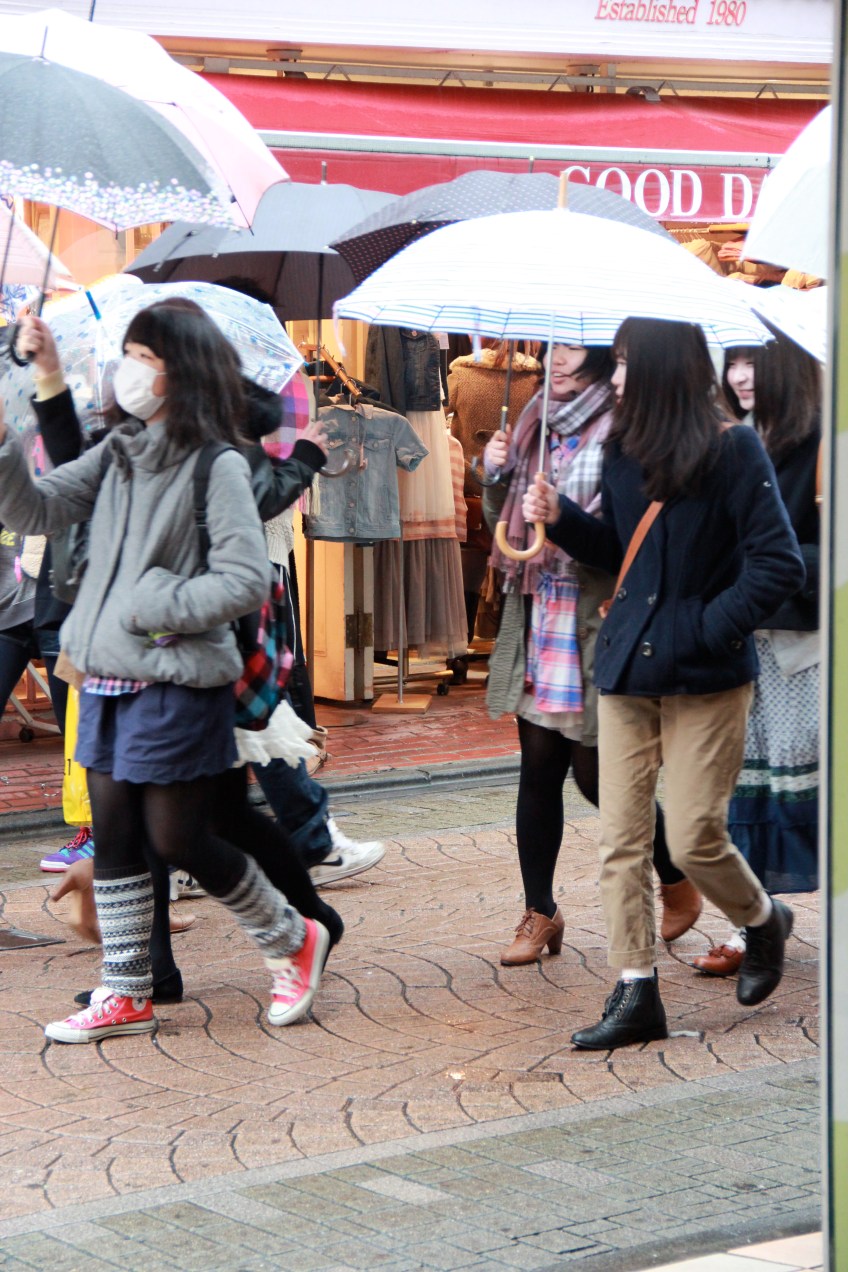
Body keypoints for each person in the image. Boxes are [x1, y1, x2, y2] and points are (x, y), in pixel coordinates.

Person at [0, 299, 329, 1043]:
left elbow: (244, 578)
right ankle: (126, 990)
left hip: (177, 676)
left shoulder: (218, 464)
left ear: (182, 372)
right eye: (131, 355)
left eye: (146, 358)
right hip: (105, 675)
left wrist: (156, 604)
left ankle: (294, 938)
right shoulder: (119, 450)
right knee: (116, 837)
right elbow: (38, 510)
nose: (131, 370)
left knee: (180, 839)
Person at [522, 317, 806, 1049]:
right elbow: (623, 551)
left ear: (659, 366)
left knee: (693, 834)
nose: (613, 376)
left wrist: (706, 627)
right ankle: (635, 989)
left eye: (623, 362)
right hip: (626, 670)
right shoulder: (622, 447)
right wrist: (561, 520)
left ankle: (762, 918)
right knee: (621, 839)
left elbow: (778, 564)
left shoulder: (733, 448)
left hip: (707, 677)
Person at [482, 342, 701, 968]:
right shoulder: (534, 420)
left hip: (596, 618)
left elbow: (627, 546)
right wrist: (494, 475)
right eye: (551, 347)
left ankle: (675, 873)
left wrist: (562, 515)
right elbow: (507, 525)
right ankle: (540, 910)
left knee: (594, 773)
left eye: (573, 348)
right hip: (538, 611)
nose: (556, 359)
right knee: (537, 764)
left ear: (603, 354)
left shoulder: (625, 431)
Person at [692, 326, 821, 978]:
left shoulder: (821, 443)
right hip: (746, 642)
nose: (740, 375)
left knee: (812, 787)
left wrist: (770, 562)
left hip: (807, 649)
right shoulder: (732, 441)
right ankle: (754, 926)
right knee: (742, 788)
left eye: (754, 361)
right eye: (734, 360)